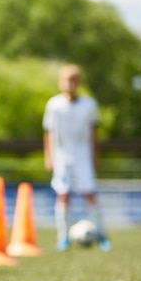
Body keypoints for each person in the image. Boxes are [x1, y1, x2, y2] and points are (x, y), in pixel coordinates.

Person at [43, 64, 111, 251]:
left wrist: (95, 156)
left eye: (73, 81)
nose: (70, 84)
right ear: (60, 83)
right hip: (62, 157)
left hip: (83, 157)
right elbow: (48, 133)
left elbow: (94, 133)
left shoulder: (90, 105)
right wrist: (49, 156)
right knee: (63, 194)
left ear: (79, 83)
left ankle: (102, 235)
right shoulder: (54, 105)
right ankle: (63, 237)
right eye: (66, 80)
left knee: (90, 193)